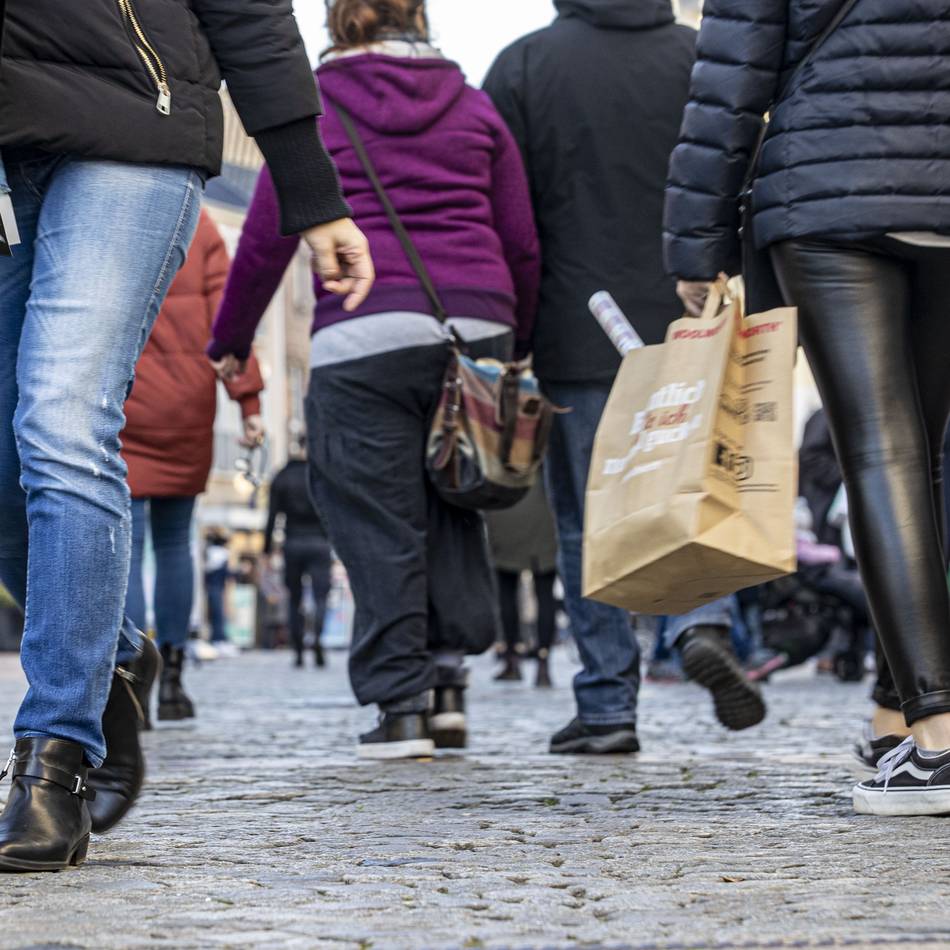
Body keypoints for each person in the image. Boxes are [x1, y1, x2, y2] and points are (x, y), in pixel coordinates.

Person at [0, 0, 373, 871]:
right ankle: (119, 654)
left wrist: (311, 194)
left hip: (134, 124)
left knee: (62, 420)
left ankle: (53, 761)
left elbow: (248, 12)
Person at [211, 0, 540, 760]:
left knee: (374, 517)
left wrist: (231, 338)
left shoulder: (316, 112)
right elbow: (520, 238)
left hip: (362, 332)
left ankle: (402, 707)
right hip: (476, 324)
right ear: (418, 17)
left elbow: (266, 235)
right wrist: (511, 343)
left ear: (337, 22)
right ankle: (451, 683)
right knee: (459, 497)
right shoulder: (473, 105)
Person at [664, 0, 950, 816]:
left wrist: (698, 244)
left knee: (881, 453)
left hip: (829, 186)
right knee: (924, 454)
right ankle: (900, 719)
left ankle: (937, 737)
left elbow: (730, 81)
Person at [485, 0, 704, 754]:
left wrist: (514, 332)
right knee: (693, 485)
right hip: (690, 318)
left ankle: (609, 703)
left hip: (574, 328)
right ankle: (697, 624)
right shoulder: (698, 54)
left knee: (587, 520)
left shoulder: (523, 64)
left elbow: (502, 215)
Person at [122, 210, 265, 723]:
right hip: (187, 403)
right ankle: (177, 683)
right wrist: (248, 404)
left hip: (123, 397)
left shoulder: (109, 206)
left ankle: (134, 682)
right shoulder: (199, 224)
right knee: (175, 542)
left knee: (129, 548)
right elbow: (232, 318)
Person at [486, 479, 560, 688]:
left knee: (506, 589)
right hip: (543, 504)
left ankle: (512, 660)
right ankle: (543, 665)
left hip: (506, 499)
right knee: (545, 592)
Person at [264, 444, 333, 669]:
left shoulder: (282, 477)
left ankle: (299, 651)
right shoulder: (321, 475)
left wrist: (266, 549)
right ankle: (318, 638)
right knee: (321, 596)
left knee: (294, 599)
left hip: (292, 542)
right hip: (320, 542)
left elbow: (272, 516)